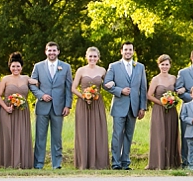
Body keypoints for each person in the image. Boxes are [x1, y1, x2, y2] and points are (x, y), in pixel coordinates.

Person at [104, 41, 147, 170]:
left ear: (133, 51)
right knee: (117, 135)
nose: (128, 52)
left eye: (130, 50)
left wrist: (142, 107)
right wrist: (119, 90)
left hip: (134, 107)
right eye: (126, 49)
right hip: (119, 106)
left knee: (129, 135)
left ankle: (125, 162)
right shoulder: (113, 66)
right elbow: (106, 84)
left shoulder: (140, 67)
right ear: (121, 51)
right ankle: (116, 163)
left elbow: (143, 88)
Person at [30, 41, 72, 169]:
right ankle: (38, 164)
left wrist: (68, 105)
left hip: (59, 107)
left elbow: (68, 87)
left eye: (54, 50)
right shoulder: (38, 66)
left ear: (58, 52)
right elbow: (32, 84)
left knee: (57, 137)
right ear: (45, 51)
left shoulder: (66, 67)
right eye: (49, 50)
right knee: (40, 137)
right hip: (42, 106)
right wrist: (41, 95)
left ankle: (57, 164)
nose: (52, 52)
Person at [72, 46, 109, 169]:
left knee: (98, 130)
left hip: (97, 104)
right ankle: (84, 162)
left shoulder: (103, 70)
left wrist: (113, 85)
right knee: (83, 131)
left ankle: (98, 162)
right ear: (86, 57)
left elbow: (108, 85)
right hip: (83, 104)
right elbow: (73, 88)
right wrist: (84, 97)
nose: (92, 58)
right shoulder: (81, 70)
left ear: (98, 58)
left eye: (95, 56)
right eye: (90, 56)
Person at [0, 52, 36, 168]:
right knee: (8, 135)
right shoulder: (5, 79)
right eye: (13, 66)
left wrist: (36, 82)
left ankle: (22, 162)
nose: (15, 68)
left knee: (22, 135)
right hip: (8, 110)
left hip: (23, 111)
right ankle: (7, 163)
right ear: (10, 67)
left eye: (18, 66)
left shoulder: (26, 78)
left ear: (21, 67)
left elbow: (37, 84)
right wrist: (5, 108)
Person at [146, 54, 182, 169]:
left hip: (171, 110)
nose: (164, 67)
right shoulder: (155, 79)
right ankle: (159, 162)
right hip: (159, 109)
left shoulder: (174, 78)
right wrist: (161, 103)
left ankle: (171, 162)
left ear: (170, 65)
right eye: (162, 64)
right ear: (159, 65)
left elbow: (178, 91)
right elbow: (149, 95)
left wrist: (175, 97)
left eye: (167, 64)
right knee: (160, 135)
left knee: (171, 134)